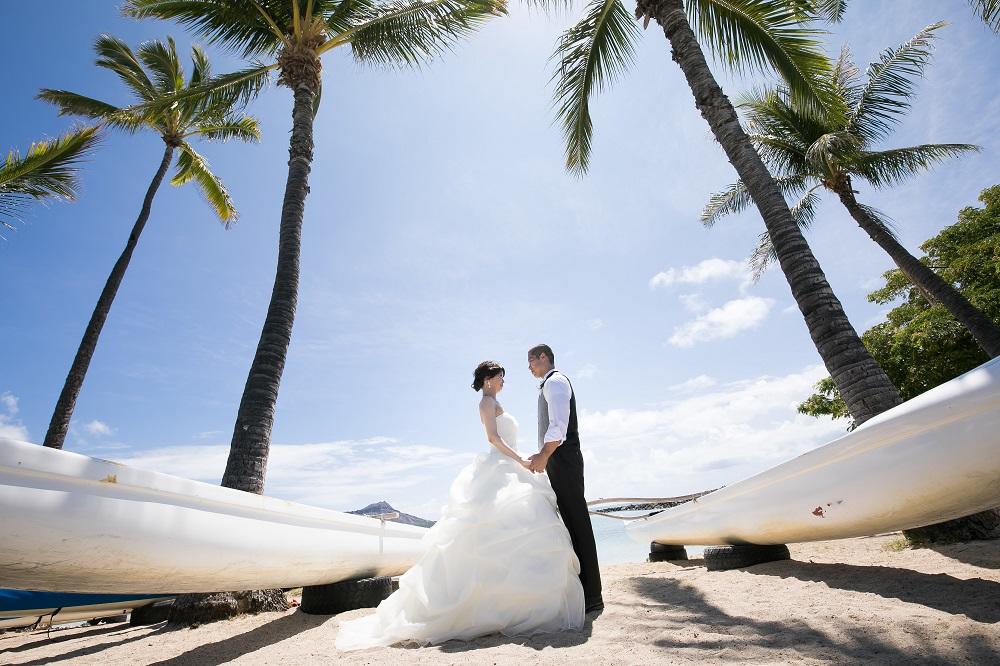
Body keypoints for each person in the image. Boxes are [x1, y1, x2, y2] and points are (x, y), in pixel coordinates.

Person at [335, 360, 584, 650]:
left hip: (511, 469)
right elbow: (493, 438)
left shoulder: (494, 400)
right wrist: (521, 460)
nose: (504, 382)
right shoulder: (486, 403)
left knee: (520, 531)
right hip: (502, 468)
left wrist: (521, 460)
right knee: (489, 534)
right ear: (489, 378)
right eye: (501, 377)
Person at [527, 344, 603, 614]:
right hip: (559, 458)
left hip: (564, 457)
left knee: (577, 520)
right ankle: (587, 591)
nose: (529, 367)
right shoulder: (549, 384)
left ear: (544, 357)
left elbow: (558, 427)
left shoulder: (556, 382)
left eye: (531, 361)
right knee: (571, 521)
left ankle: (593, 596)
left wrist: (544, 455)